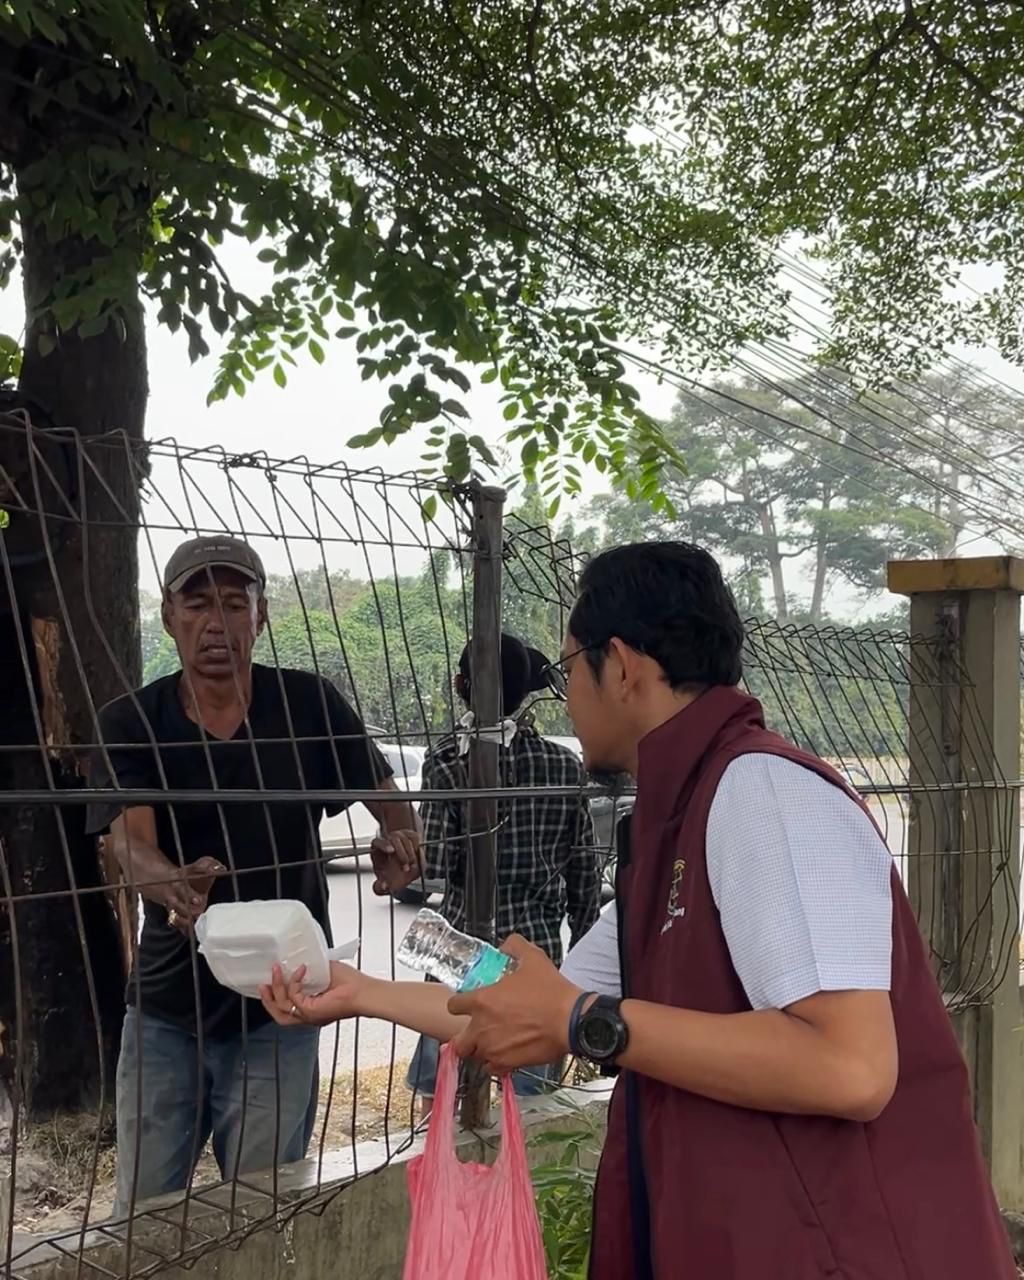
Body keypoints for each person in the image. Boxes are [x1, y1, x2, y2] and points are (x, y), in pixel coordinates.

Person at [262, 540, 1016, 1279]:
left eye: (569, 670)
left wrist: (587, 1021)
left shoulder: (763, 793)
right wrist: (356, 995)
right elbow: (529, 1003)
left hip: (842, 1250)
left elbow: (849, 1068)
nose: (568, 697)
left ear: (619, 666)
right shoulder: (675, 816)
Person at [88, 535, 422, 1218]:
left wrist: (399, 838)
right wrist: (172, 882)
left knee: (263, 1214)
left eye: (235, 604)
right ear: (169, 617)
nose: (217, 622)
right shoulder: (132, 721)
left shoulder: (308, 706)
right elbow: (129, 836)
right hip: (168, 1008)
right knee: (146, 1220)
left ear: (261, 617)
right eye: (198, 603)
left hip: (287, 1002)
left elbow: (387, 794)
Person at [406, 633, 600, 1110]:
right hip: (534, 953)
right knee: (532, 1100)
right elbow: (584, 871)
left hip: (460, 951)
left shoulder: (448, 762)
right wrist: (582, 947)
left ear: (460, 685)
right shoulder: (563, 765)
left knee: (445, 1089)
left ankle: (448, 1178)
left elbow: (437, 863)